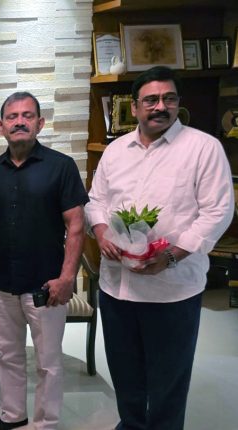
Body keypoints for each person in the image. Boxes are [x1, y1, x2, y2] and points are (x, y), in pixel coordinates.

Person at [86, 66, 234, 430]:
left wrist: (170, 256)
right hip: (117, 287)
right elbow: (96, 200)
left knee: (168, 379)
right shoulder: (116, 151)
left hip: (172, 290)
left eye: (168, 99)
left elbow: (217, 211)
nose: (160, 107)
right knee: (125, 372)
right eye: (150, 100)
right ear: (135, 106)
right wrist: (101, 232)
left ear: (178, 104)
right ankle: (132, 424)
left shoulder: (203, 149)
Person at [0, 92, 88, 430]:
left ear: (40, 123)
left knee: (48, 362)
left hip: (46, 285)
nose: (19, 122)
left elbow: (76, 225)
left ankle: (45, 424)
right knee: (7, 355)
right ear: (0, 126)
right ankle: (13, 416)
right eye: (12, 116)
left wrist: (67, 278)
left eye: (27, 115)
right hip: (1, 282)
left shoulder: (61, 167)